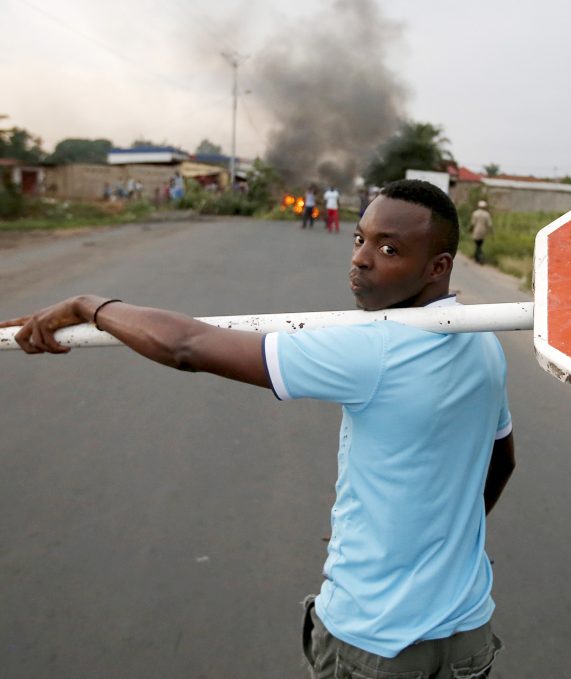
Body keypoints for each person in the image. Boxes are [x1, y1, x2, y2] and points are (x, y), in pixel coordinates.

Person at [1, 179, 514, 679]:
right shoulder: (483, 341)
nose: (360, 258)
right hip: (466, 634)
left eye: (388, 248)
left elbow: (187, 346)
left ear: (437, 267)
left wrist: (89, 306)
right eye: (360, 239)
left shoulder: (372, 348)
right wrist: (431, 540)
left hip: (374, 641)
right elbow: (501, 461)